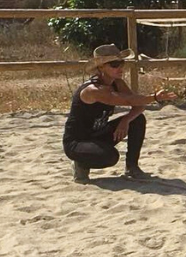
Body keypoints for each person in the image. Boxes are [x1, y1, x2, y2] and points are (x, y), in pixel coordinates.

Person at [63, 44, 177, 184]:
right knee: (110, 156)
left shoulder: (117, 82)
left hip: (98, 134)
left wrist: (126, 121)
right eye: (114, 64)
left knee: (138, 119)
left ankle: (132, 168)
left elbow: (138, 105)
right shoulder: (93, 90)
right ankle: (81, 163)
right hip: (77, 142)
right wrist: (154, 97)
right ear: (101, 67)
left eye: (121, 63)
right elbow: (124, 99)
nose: (120, 68)